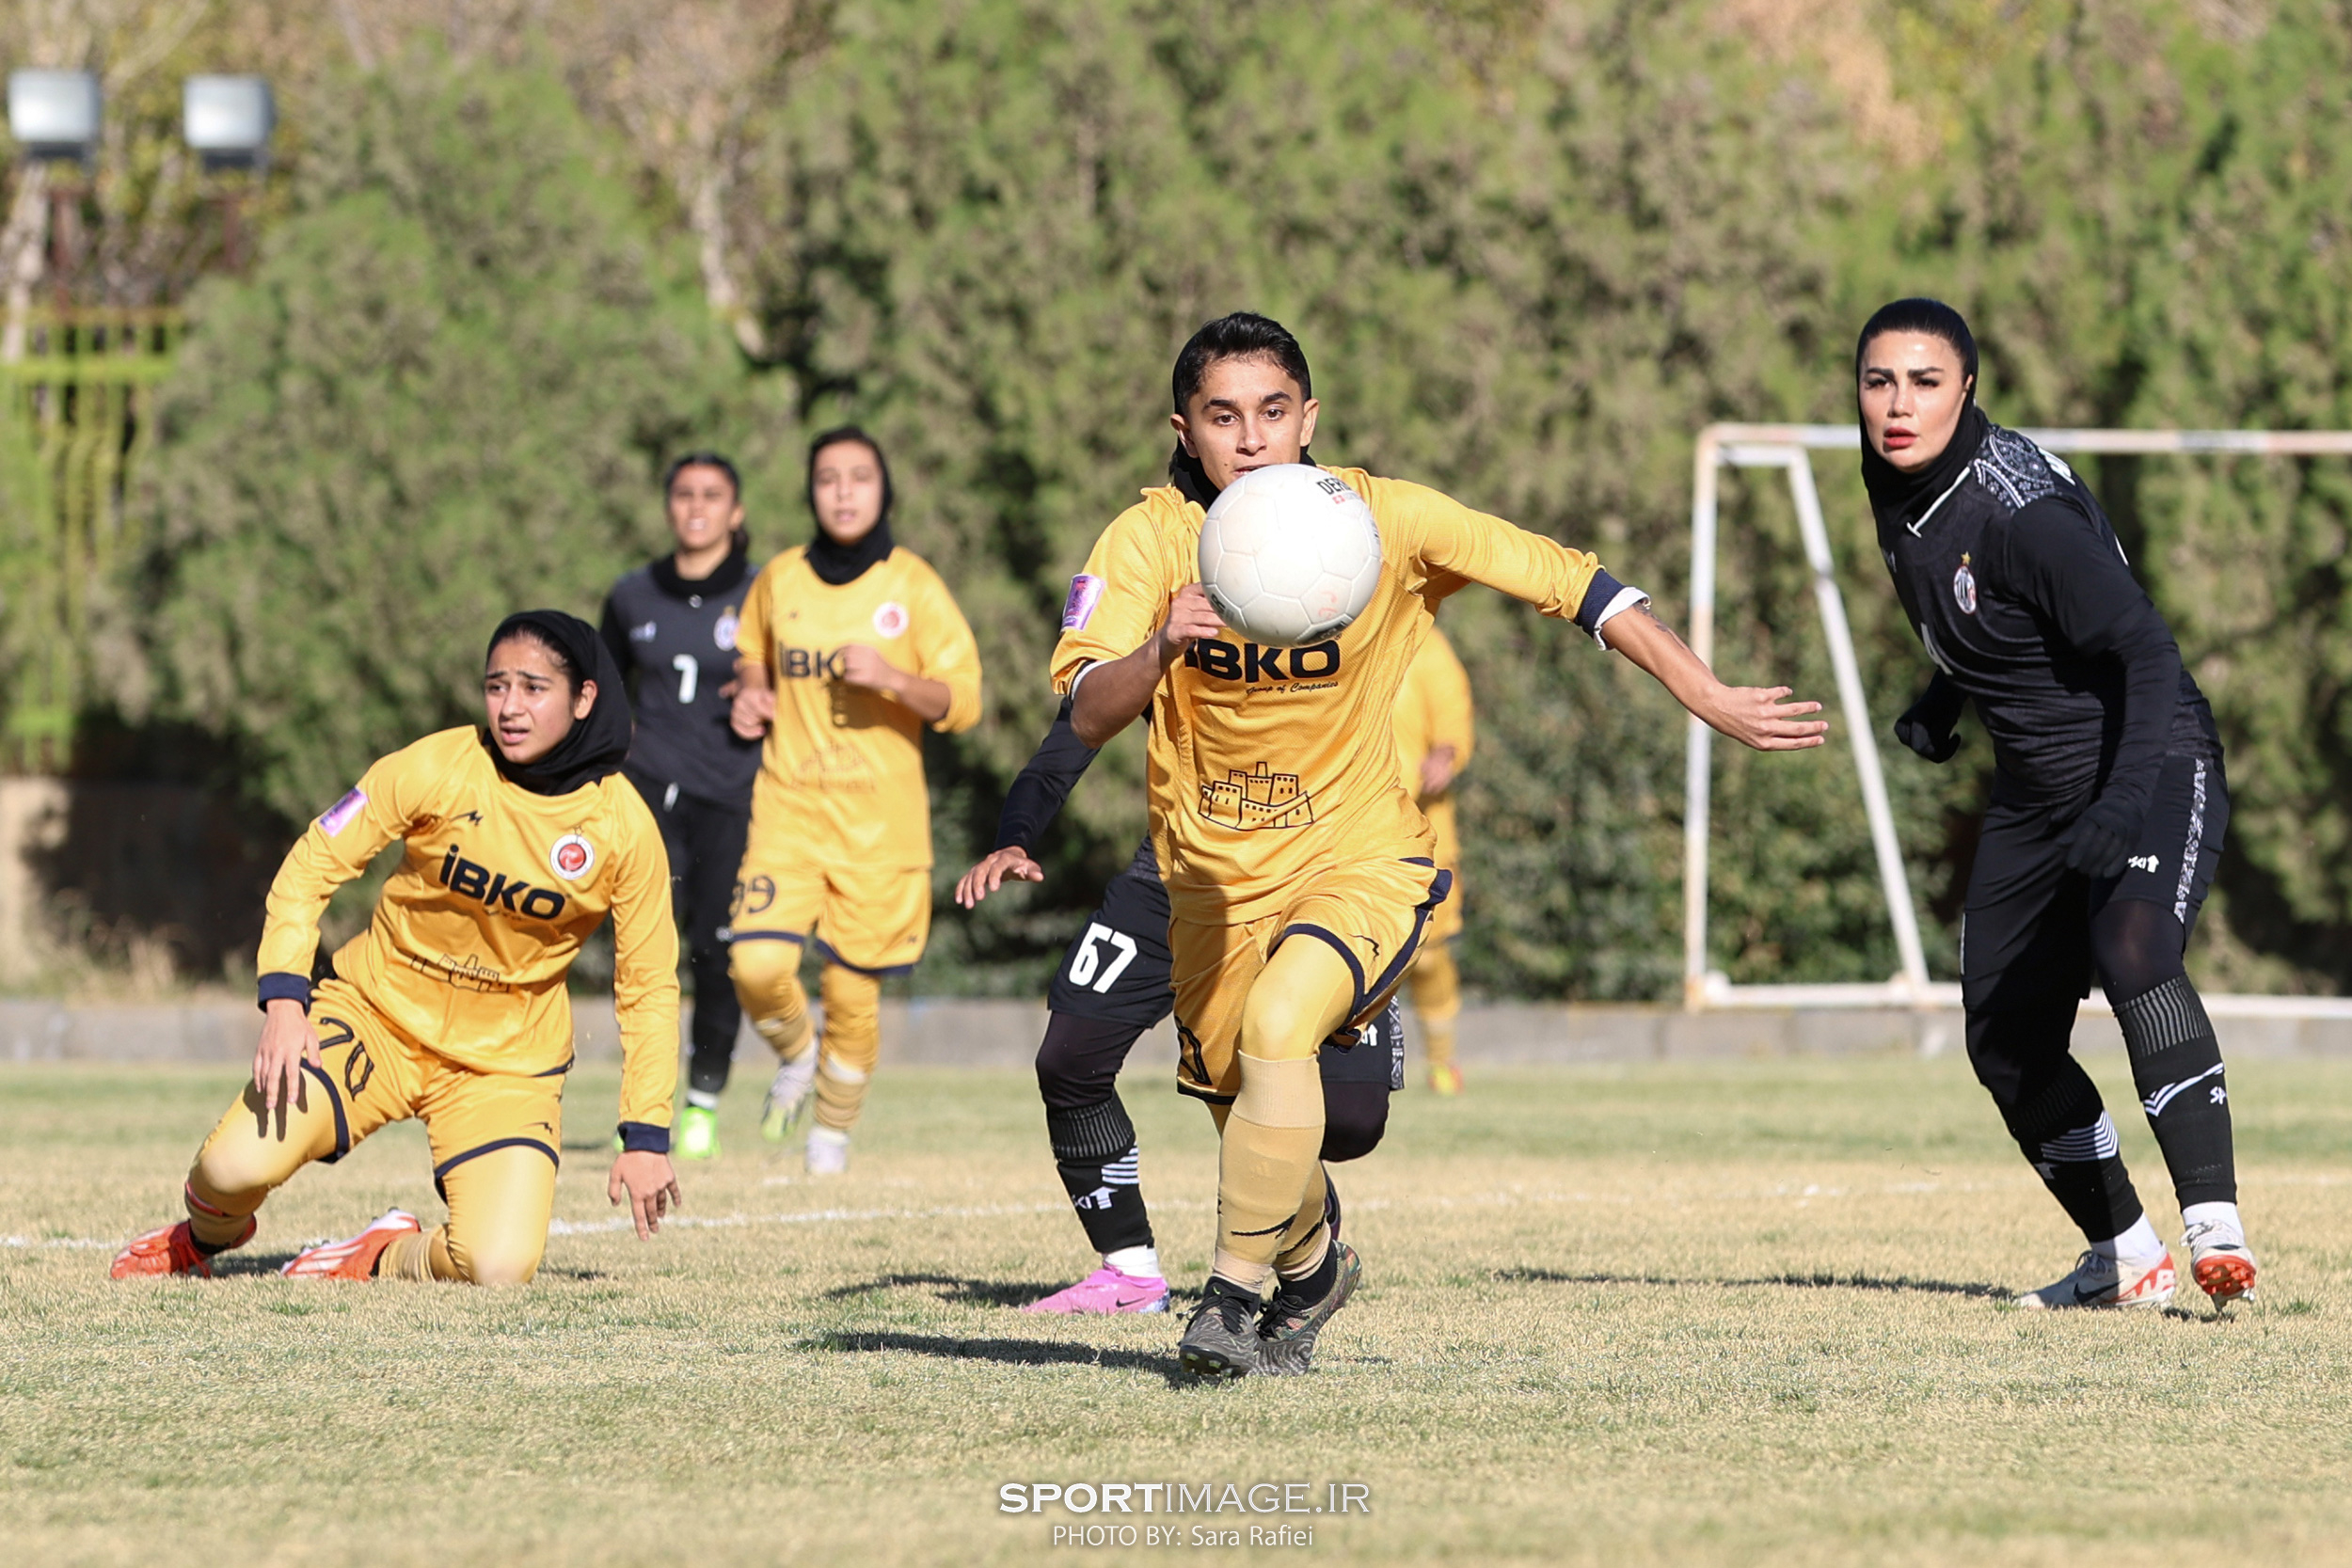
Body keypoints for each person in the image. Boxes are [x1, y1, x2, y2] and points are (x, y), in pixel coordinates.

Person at [1055, 311, 1825, 1377]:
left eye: (1273, 412)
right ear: (1183, 430)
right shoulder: (1144, 543)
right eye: (1222, 417)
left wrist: (1707, 693)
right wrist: (1159, 644)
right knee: (1246, 1101)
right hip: (1211, 884)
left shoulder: (1384, 522)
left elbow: (1572, 579)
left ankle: (1226, 1297)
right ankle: (1314, 1265)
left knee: (1283, 1029)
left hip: (1357, 859)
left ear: (1307, 418)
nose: (1250, 438)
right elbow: (1089, 710)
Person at [1858, 296, 2255, 1311]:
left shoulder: (2017, 509)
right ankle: (2124, 1253)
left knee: (2131, 947)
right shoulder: (1900, 475)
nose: (1898, 405)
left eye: (1925, 382)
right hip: (2037, 788)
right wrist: (1944, 696)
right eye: (1879, 381)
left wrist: (2125, 800)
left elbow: (2143, 650)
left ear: (1968, 389)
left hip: (2150, 753)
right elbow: (1984, 600)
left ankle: (2214, 1222)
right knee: (2005, 1035)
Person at [110, 612, 683, 1284]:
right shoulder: (440, 764)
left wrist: (645, 1133)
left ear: (584, 698)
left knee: (498, 1266)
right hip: (374, 1018)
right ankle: (201, 1239)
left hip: (505, 1063)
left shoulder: (623, 826)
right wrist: (287, 1002)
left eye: (534, 688)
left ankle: (378, 1253)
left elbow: (647, 986)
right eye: (497, 686)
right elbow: (314, 862)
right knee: (232, 1168)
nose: (510, 707)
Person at [954, 699, 1406, 1323]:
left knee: (1352, 1122)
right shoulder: (1164, 618)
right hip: (1178, 873)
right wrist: (1013, 838)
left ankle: (1304, 1231)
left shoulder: (1333, 614)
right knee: (1068, 1060)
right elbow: (1078, 725)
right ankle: (1130, 1272)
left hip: (1318, 875)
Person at [726, 426, 982, 1174]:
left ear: (884, 489)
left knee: (850, 992)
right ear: (810, 490)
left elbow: (963, 700)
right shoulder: (779, 578)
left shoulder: (913, 584)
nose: (843, 491)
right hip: (788, 813)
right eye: (829, 477)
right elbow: (750, 652)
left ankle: (830, 1139)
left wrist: (896, 680)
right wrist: (750, 693)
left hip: (881, 829)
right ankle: (796, 1053)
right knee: (755, 963)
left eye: (859, 477)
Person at [600, 452, 764, 1161]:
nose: (696, 507)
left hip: (731, 793)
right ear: (668, 507)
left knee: (717, 948)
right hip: (646, 793)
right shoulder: (632, 595)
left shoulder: (763, 595)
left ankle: (703, 1097)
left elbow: (801, 690)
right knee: (644, 950)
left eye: (712, 495)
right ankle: (647, 1101)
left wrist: (775, 703)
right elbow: (598, 690)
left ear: (736, 512)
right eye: (684, 494)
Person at [1392, 620, 1474, 1094]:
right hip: (1341, 830)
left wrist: (1446, 755)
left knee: (1425, 957)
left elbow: (1453, 721)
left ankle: (1442, 1063)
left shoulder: (1424, 642)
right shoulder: (1318, 636)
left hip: (1422, 833)